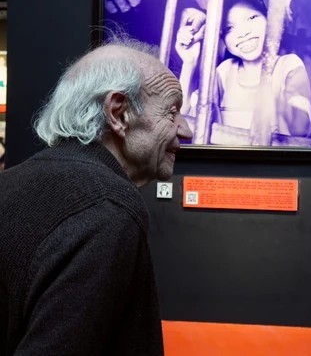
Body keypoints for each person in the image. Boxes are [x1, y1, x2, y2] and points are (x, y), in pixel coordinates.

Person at [0, 38, 193, 355]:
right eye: (172, 111)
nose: (184, 130)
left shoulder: (9, 183)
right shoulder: (109, 207)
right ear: (119, 112)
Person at [175, 0, 311, 146]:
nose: (243, 33)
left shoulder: (288, 65)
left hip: (272, 166)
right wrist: (189, 63)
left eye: (251, 18)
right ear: (222, 38)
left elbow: (302, 128)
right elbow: (184, 119)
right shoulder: (225, 72)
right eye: (229, 28)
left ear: (269, 19)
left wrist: (273, 103)